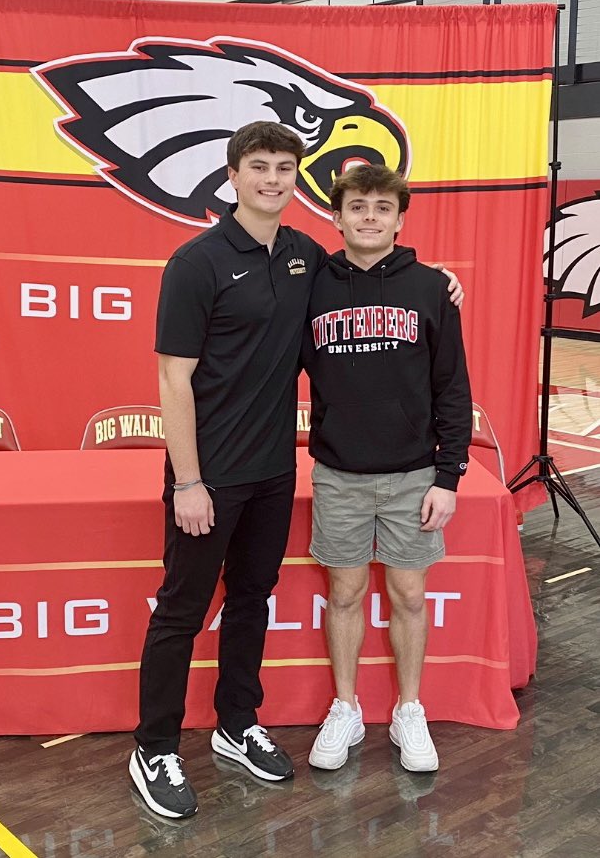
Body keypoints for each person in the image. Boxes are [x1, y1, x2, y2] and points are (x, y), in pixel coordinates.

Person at [129, 122, 463, 820]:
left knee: (251, 598)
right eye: (259, 167)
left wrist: (440, 283)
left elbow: (375, 275)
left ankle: (234, 724)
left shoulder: (304, 256)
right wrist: (186, 481)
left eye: (284, 167)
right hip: (209, 476)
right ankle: (153, 745)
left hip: (275, 470)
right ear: (232, 176)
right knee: (182, 609)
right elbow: (171, 381)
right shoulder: (196, 263)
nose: (272, 179)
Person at [304, 164, 472, 775]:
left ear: (400, 220)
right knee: (344, 593)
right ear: (338, 215)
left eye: (381, 207)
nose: (369, 216)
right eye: (357, 206)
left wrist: (449, 476)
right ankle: (345, 708)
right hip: (338, 471)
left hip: (412, 474)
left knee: (408, 592)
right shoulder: (312, 285)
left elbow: (452, 386)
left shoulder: (431, 288)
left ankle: (408, 710)